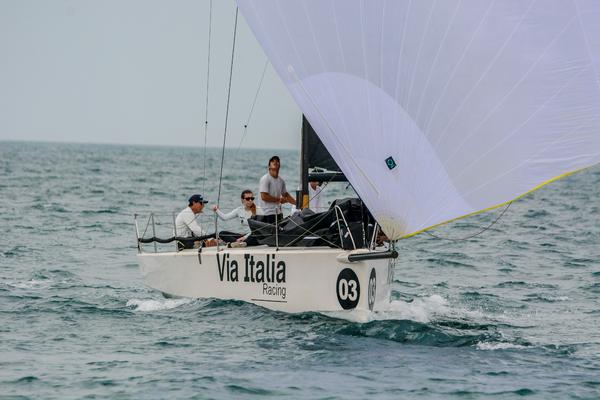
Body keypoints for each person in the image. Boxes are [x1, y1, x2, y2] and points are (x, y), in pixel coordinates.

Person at [255, 155, 295, 224]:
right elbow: (264, 197)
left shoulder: (281, 181)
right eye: (272, 161)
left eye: (277, 161)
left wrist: (297, 203)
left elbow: (286, 195)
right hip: (266, 214)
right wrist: (279, 200)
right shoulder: (265, 179)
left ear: (279, 166)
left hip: (278, 213)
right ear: (269, 166)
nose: (275, 161)